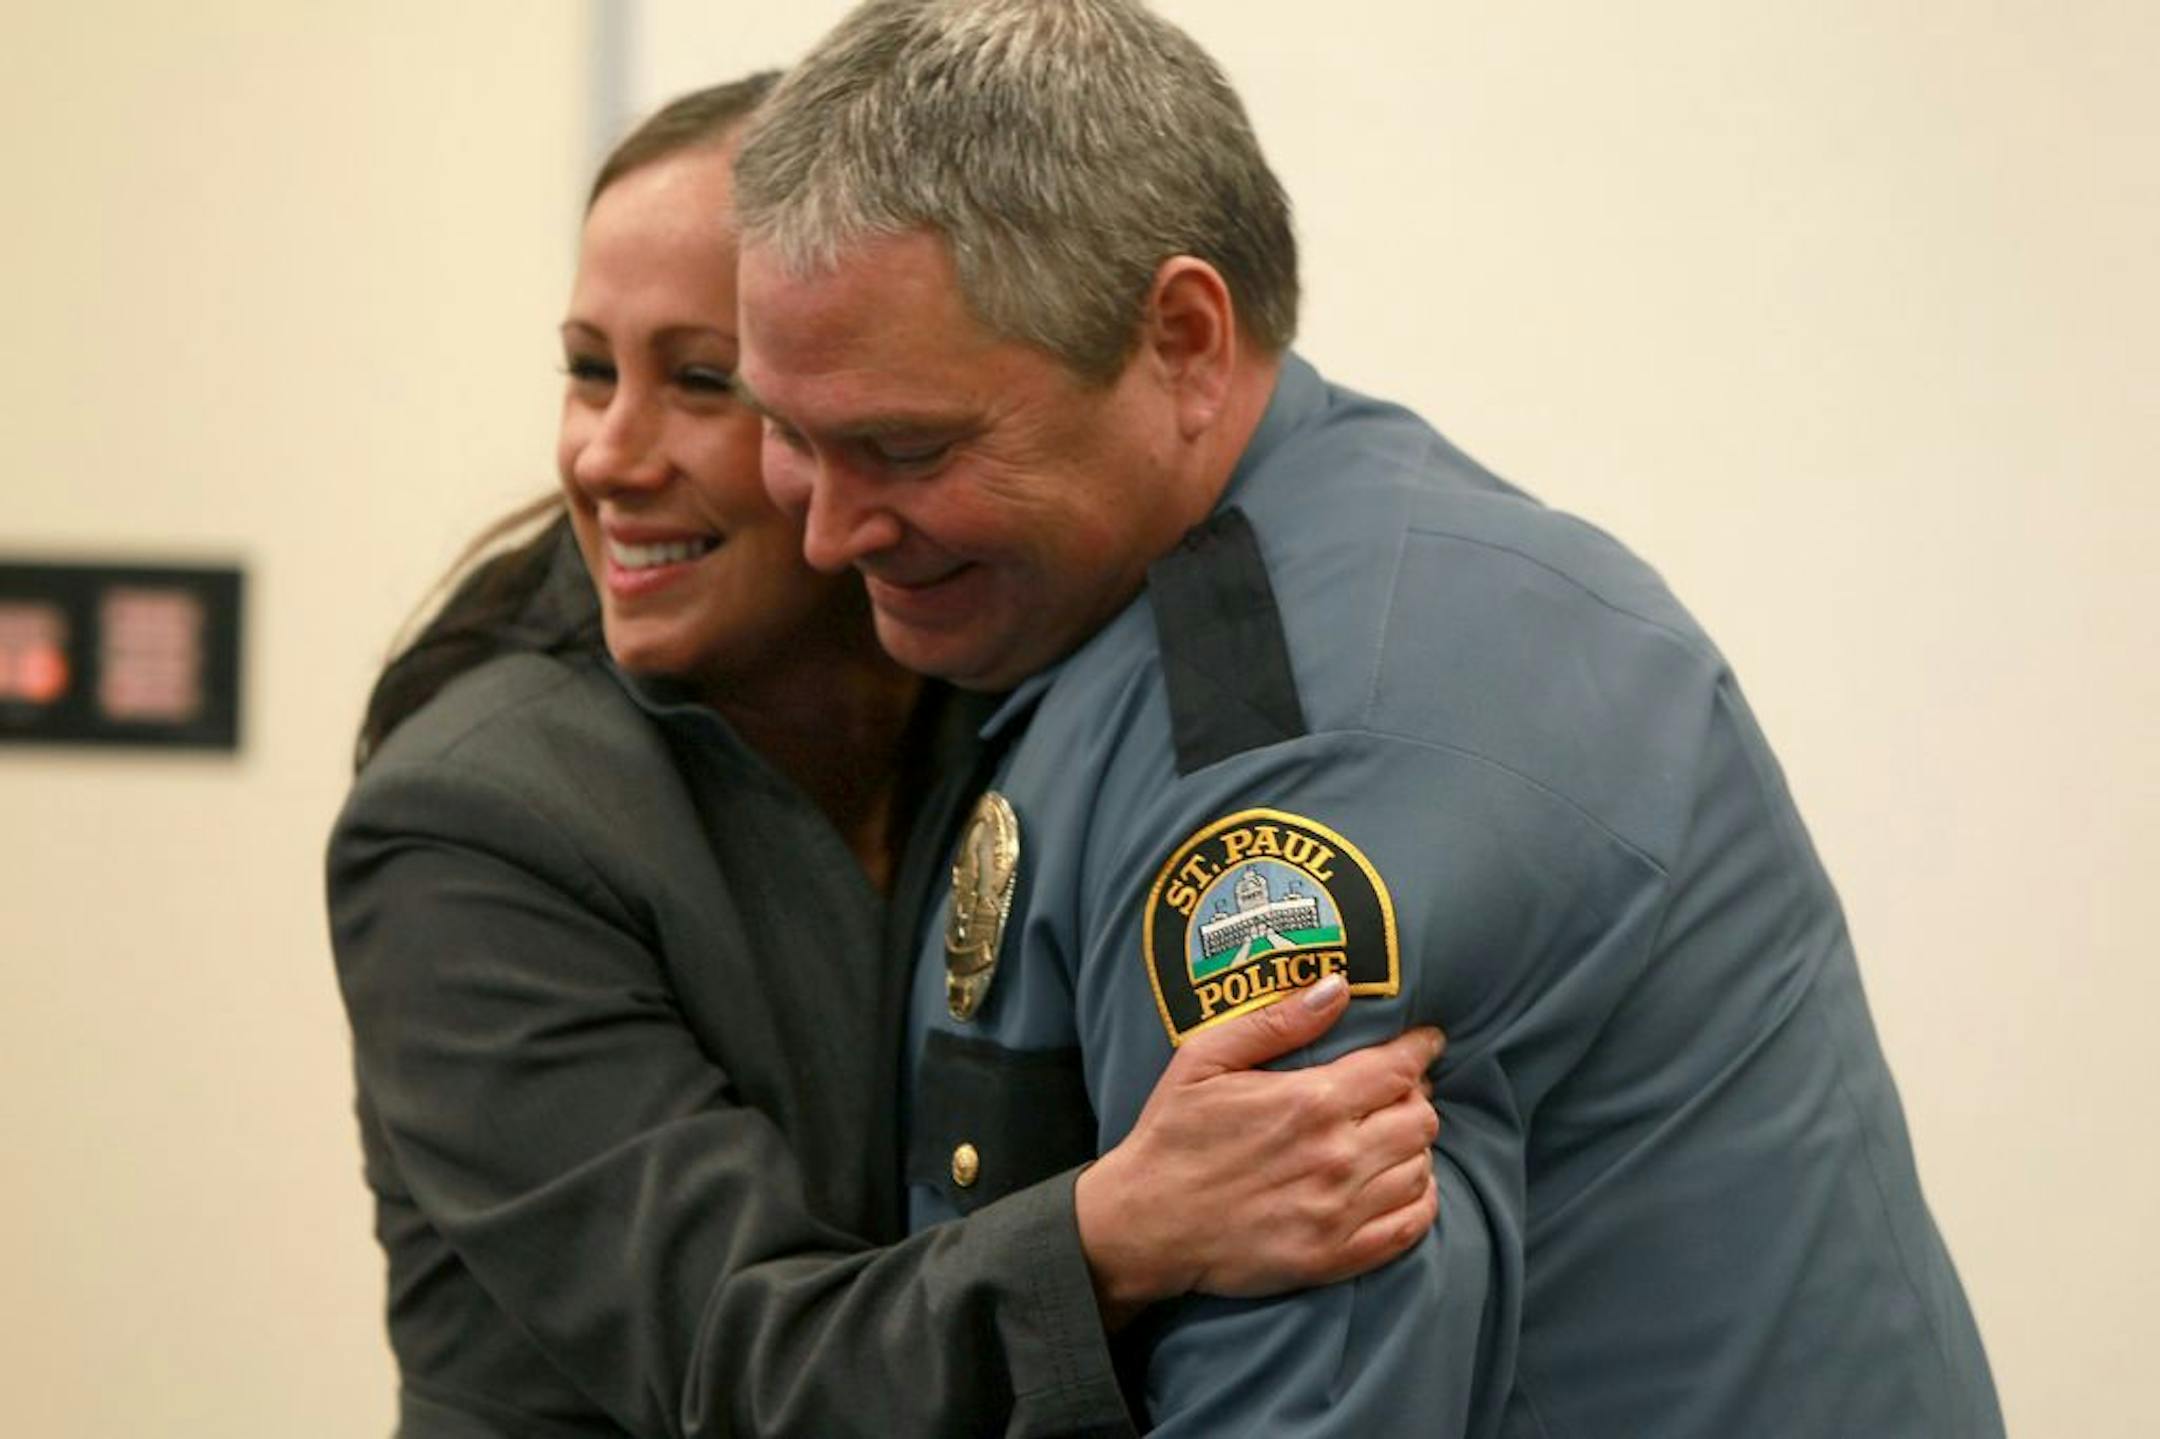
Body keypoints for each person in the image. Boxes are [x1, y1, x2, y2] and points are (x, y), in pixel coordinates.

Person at [728, 2, 2008, 1435]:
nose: (826, 532)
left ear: (1183, 342)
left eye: (906, 447)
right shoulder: (1214, 592)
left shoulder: (1302, 751)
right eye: (784, 428)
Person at [328, 74, 1446, 1439]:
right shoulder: (467, 827)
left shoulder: (1002, 683)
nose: (608, 456)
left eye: (703, 383)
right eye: (587, 370)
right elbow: (743, 1366)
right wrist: (1117, 1234)